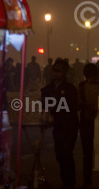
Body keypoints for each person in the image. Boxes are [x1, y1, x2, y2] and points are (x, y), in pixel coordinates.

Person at [41, 59, 79, 189]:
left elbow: (73, 106)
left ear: (65, 73)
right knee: (59, 155)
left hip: (70, 125)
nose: (57, 74)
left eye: (60, 72)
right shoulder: (47, 89)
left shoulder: (70, 89)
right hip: (57, 126)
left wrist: (57, 109)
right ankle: (65, 180)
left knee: (67, 153)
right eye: (55, 71)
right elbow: (44, 106)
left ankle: (70, 183)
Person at [78, 64, 99, 189]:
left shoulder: (83, 86)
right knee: (92, 154)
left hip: (96, 122)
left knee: (94, 154)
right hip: (91, 122)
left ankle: (95, 182)